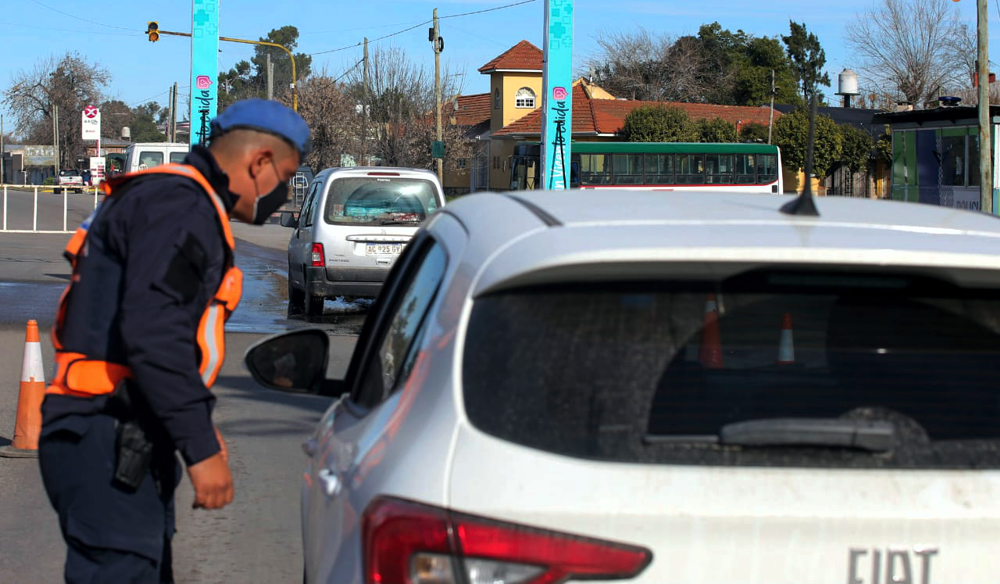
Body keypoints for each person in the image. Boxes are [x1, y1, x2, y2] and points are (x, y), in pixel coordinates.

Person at [38, 99, 310, 584]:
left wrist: (191, 427)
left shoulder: (171, 200)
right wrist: (201, 450)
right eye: (286, 177)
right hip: (105, 433)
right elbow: (154, 334)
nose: (283, 193)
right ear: (260, 162)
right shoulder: (181, 208)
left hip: (113, 433)